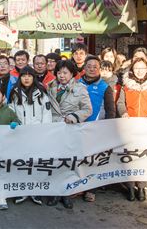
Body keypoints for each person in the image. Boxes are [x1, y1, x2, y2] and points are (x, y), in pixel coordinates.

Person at [46, 60, 92, 209]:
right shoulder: (50, 87)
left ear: (72, 73)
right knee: (54, 162)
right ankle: (54, 193)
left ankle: (66, 193)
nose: (61, 75)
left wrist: (74, 117)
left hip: (71, 129)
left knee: (68, 163)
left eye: (65, 72)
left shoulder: (80, 88)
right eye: (59, 72)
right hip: (54, 129)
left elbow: (87, 109)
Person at [117, 57, 147, 202]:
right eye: (136, 68)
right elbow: (120, 103)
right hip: (129, 126)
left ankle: (142, 187)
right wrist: (123, 112)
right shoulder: (126, 86)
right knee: (130, 157)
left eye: (142, 68)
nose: (139, 71)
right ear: (132, 70)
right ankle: (131, 187)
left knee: (143, 157)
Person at [9, 66, 52, 206]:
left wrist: (43, 133)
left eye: (29, 75)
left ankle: (35, 191)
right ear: (19, 77)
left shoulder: (41, 93)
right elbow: (11, 113)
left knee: (36, 163)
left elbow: (47, 115)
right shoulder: (14, 93)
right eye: (23, 75)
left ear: (33, 77)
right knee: (21, 164)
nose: (26, 78)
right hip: (20, 135)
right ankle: (21, 191)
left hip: (37, 135)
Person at [79, 56, 116, 122]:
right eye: (89, 66)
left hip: (97, 126)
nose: (92, 69)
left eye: (95, 67)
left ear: (99, 69)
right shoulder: (76, 84)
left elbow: (110, 112)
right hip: (77, 126)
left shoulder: (105, 87)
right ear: (84, 68)